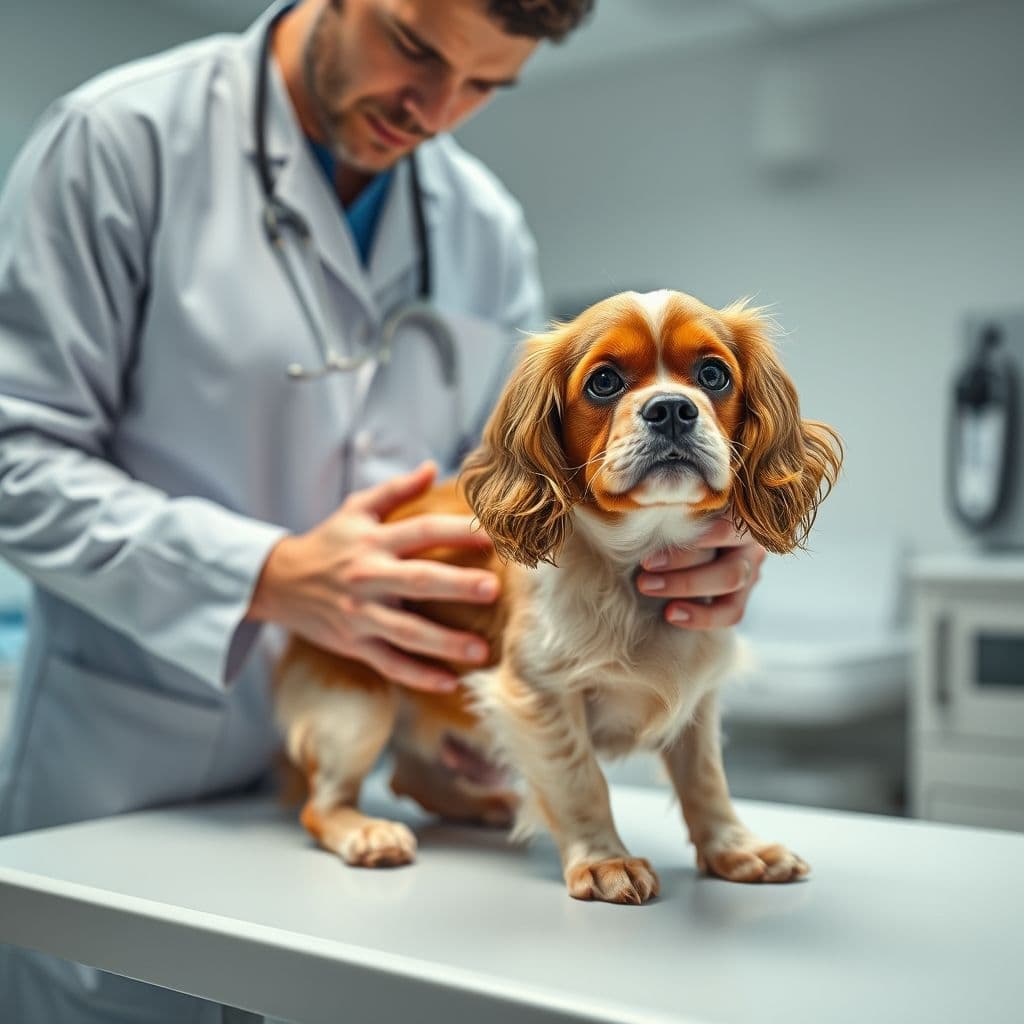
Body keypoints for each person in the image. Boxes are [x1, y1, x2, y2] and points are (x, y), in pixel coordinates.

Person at [0, 0, 765, 1019]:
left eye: (485, 86)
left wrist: (698, 540)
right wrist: (268, 575)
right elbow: (16, 451)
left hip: (404, 787)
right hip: (138, 756)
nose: (435, 110)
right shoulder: (119, 142)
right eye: (413, 47)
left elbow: (517, 490)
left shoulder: (483, 224)